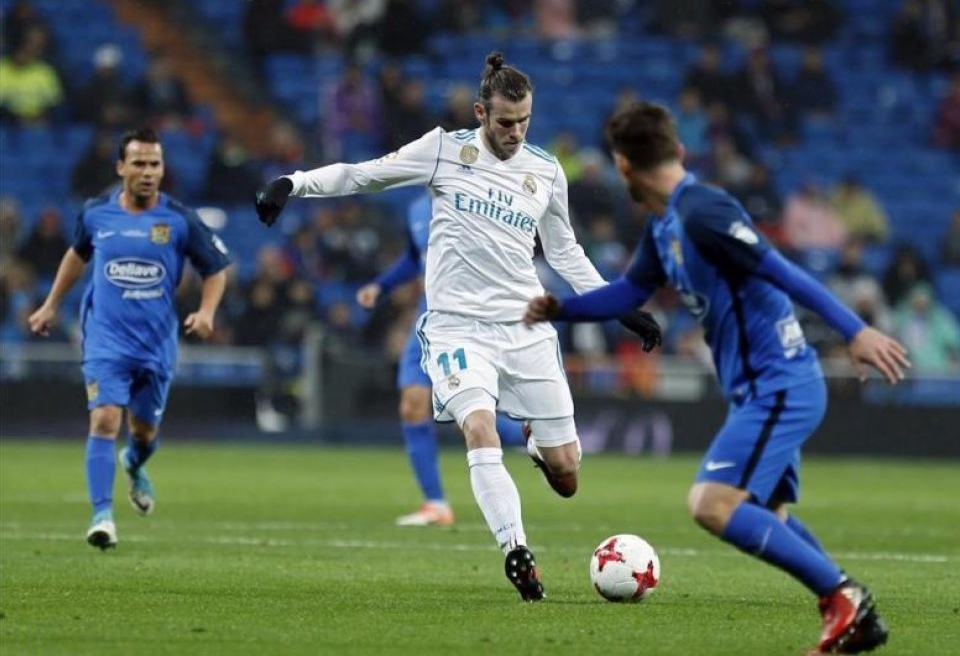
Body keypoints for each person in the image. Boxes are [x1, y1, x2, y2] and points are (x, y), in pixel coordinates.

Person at [254, 53, 661, 601]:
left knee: (567, 475)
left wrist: (619, 303)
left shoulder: (544, 170)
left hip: (526, 328)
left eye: (524, 121)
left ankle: (539, 447)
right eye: (504, 122)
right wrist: (292, 183)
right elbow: (363, 174)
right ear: (480, 112)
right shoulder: (444, 150)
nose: (515, 132)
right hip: (456, 329)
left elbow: (566, 252)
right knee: (478, 426)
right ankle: (516, 550)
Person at [524, 102, 908, 653]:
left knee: (712, 503)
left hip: (781, 383)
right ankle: (852, 612)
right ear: (677, 151)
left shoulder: (704, 210)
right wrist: (560, 309)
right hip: (758, 388)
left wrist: (855, 331)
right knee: (768, 515)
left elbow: (780, 268)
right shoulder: (664, 226)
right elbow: (630, 293)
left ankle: (846, 598)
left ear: (623, 167)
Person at [27, 127, 231, 550]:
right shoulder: (96, 214)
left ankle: (134, 465)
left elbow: (215, 268)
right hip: (105, 339)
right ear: (121, 167)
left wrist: (207, 312)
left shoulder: (178, 219)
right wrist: (50, 305)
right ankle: (102, 516)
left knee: (143, 434)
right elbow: (76, 255)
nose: (147, 171)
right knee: (104, 419)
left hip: (156, 344)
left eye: (154, 163)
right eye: (138, 163)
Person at [355, 193, 527, 526]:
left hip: (471, 317)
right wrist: (382, 286)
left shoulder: (477, 197)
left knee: (470, 410)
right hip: (430, 318)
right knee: (413, 404)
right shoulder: (417, 206)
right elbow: (413, 257)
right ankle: (436, 504)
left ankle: (529, 434)